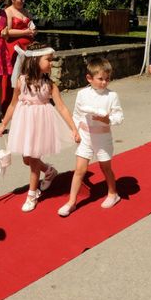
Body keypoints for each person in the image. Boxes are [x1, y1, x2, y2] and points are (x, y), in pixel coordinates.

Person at [0, 42, 80, 212]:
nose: (52, 63)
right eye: (48, 59)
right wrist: (4, 124)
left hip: (41, 123)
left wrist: (73, 128)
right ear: (35, 61)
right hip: (25, 123)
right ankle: (49, 171)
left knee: (33, 159)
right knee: (27, 159)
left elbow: (61, 107)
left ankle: (32, 194)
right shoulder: (21, 81)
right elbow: (12, 104)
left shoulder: (50, 85)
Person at [57, 57, 124, 217]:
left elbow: (119, 116)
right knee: (80, 169)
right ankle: (71, 202)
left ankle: (113, 193)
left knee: (105, 167)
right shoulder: (82, 94)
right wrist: (75, 131)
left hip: (103, 138)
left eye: (107, 79)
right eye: (100, 79)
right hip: (85, 136)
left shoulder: (112, 96)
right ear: (89, 78)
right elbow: (77, 114)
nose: (104, 82)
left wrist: (108, 119)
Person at [3, 0, 36, 111]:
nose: (23, 1)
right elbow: (8, 31)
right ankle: (11, 102)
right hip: (15, 47)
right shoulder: (8, 11)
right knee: (15, 75)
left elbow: (31, 25)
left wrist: (32, 31)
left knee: (28, 74)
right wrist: (25, 32)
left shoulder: (25, 11)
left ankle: (28, 98)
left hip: (28, 45)